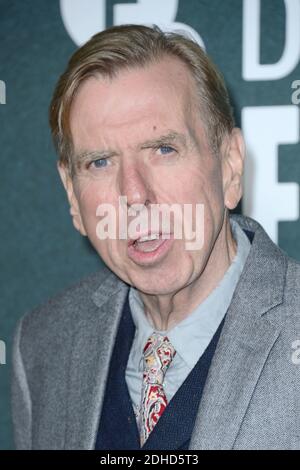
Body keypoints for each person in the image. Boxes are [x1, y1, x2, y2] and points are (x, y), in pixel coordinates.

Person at [11, 24, 300, 450]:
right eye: (100, 162)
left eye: (164, 150)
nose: (134, 195)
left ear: (230, 166)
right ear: (72, 194)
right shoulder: (41, 346)